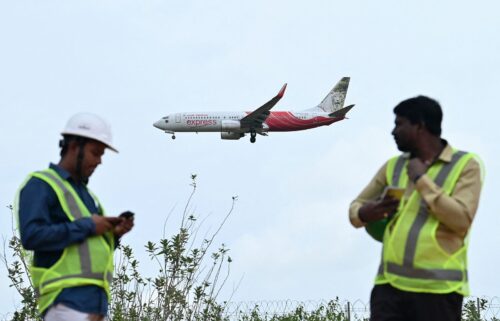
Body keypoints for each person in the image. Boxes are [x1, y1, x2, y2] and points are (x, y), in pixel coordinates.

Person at [349, 96, 484, 321]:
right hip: (389, 287)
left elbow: (461, 220)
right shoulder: (393, 166)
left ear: (420, 126)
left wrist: (421, 179)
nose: (393, 131)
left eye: (399, 124)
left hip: (438, 290)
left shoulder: (466, 165)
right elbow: (356, 207)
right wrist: (364, 213)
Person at [15, 113, 134, 321]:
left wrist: (113, 236)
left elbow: (86, 250)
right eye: (95, 153)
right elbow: (32, 236)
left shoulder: (88, 197)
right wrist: (88, 226)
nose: (99, 161)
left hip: (96, 308)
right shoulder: (41, 184)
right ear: (74, 147)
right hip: (65, 304)